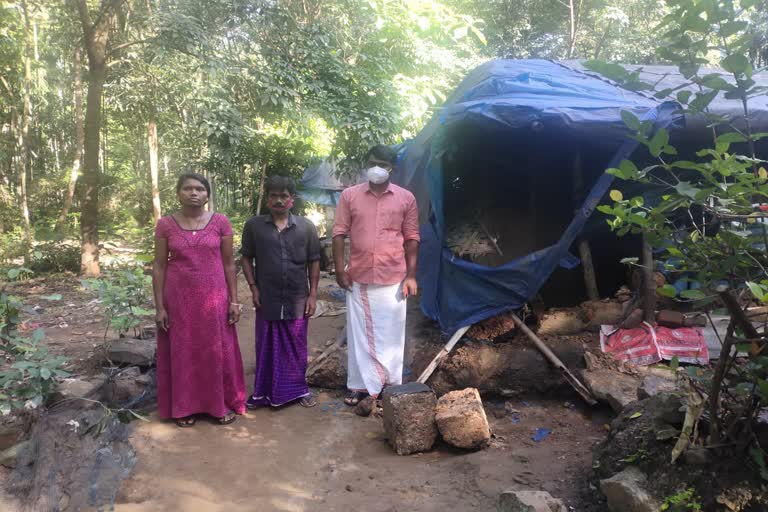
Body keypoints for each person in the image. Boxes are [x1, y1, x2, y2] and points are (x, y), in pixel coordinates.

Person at [152, 173, 246, 427]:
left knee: (215, 350)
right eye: (187, 188)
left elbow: (229, 264)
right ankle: (183, 408)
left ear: (207, 195)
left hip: (214, 298)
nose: (193, 193)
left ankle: (218, 405)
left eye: (199, 189)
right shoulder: (165, 225)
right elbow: (159, 266)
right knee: (183, 351)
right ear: (178, 194)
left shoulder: (221, 223)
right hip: (179, 300)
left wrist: (234, 301)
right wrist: (160, 307)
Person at [332, 145, 419, 406]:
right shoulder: (349, 196)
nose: (377, 168)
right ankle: (359, 387)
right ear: (365, 164)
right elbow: (338, 233)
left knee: (391, 334)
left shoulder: (406, 198)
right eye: (372, 163)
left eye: (383, 163)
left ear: (393, 168)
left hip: (393, 276)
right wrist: (339, 269)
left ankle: (389, 387)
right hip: (358, 275)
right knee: (359, 334)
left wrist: (412, 275)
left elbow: (412, 237)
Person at [241, 176, 321, 408]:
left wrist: (313, 293)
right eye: (274, 195)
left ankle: (298, 390)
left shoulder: (306, 227)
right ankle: (262, 392)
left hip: (297, 297)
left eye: (283, 196)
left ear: (291, 200)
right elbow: (246, 257)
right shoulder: (254, 226)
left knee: (296, 344)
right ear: (267, 199)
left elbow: (315, 260)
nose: (278, 200)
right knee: (266, 344)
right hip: (267, 296)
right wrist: (253, 287)